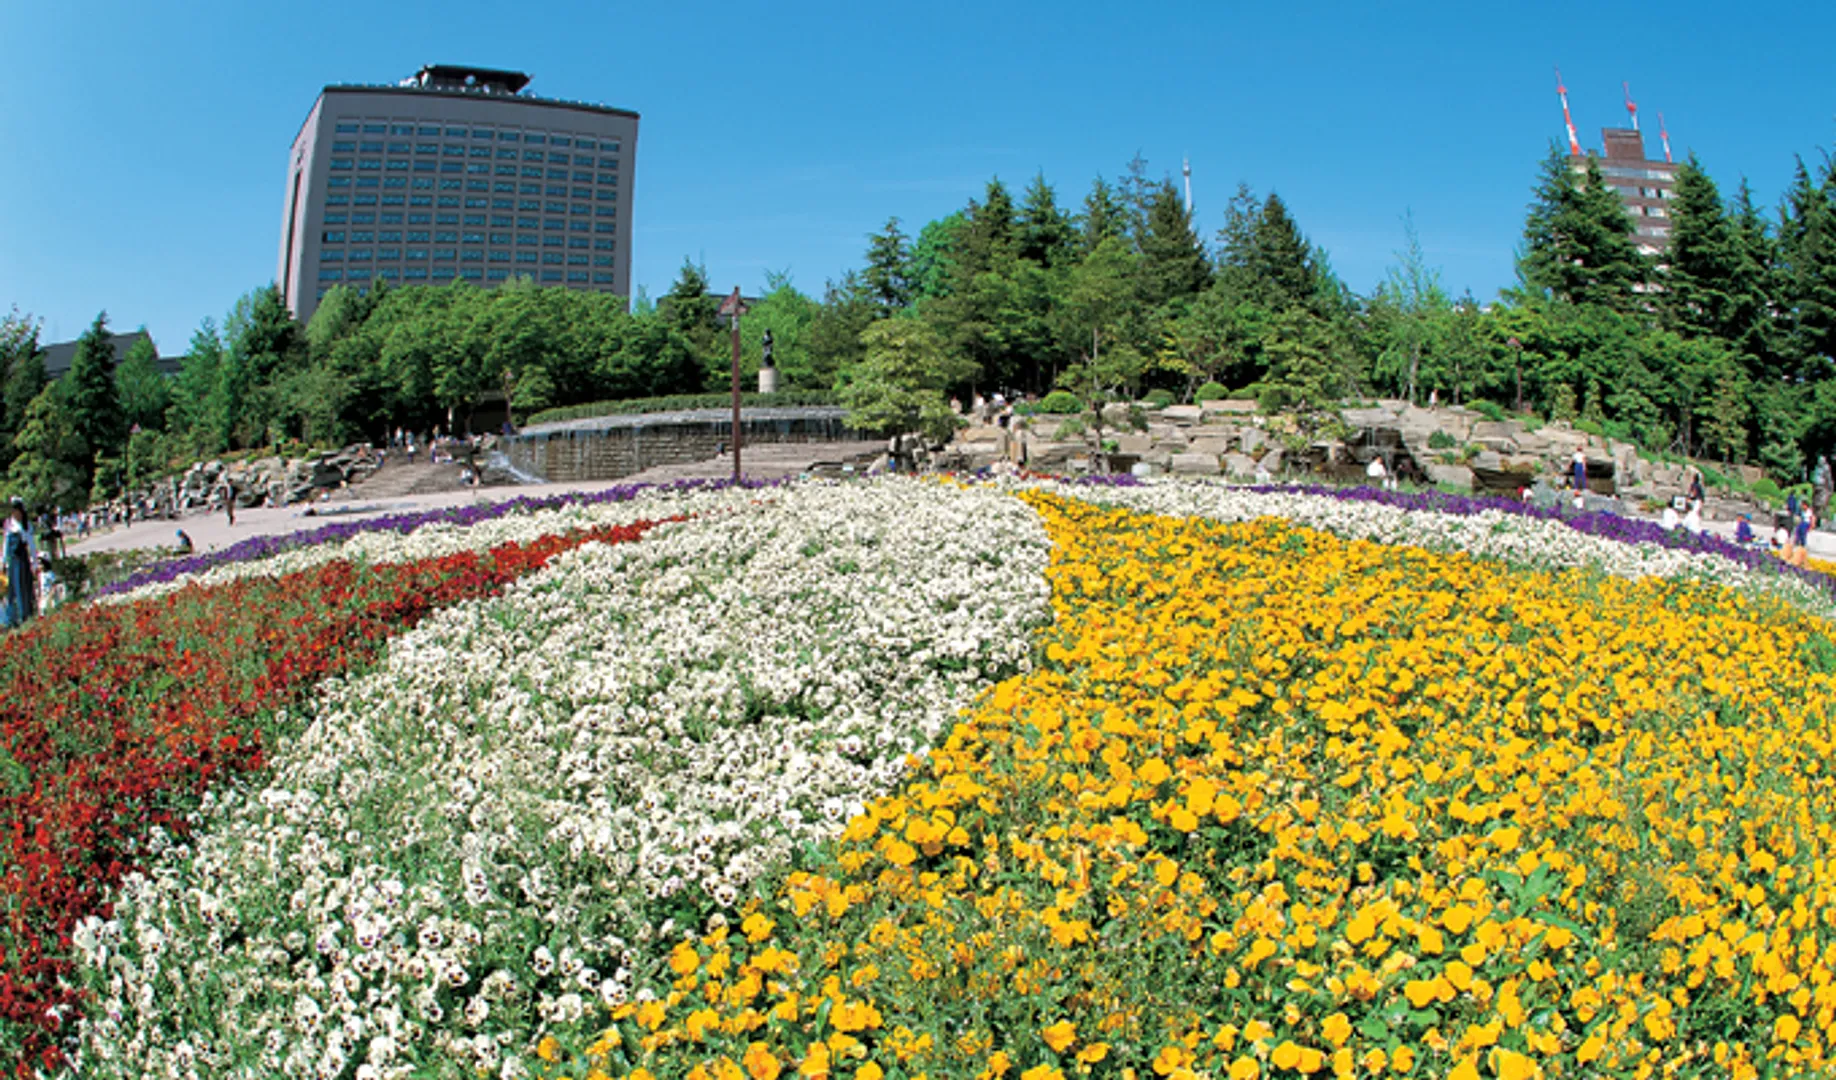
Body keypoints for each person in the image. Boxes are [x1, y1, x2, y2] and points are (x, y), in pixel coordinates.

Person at [3, 499, 37, 629]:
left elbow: (32, 545)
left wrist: (34, 561)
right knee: (13, 589)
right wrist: (3, 562)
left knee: (24, 587)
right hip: (13, 560)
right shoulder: (9, 524)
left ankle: (26, 615)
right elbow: (6, 544)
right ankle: (12, 618)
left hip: (23, 560)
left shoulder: (26, 525)